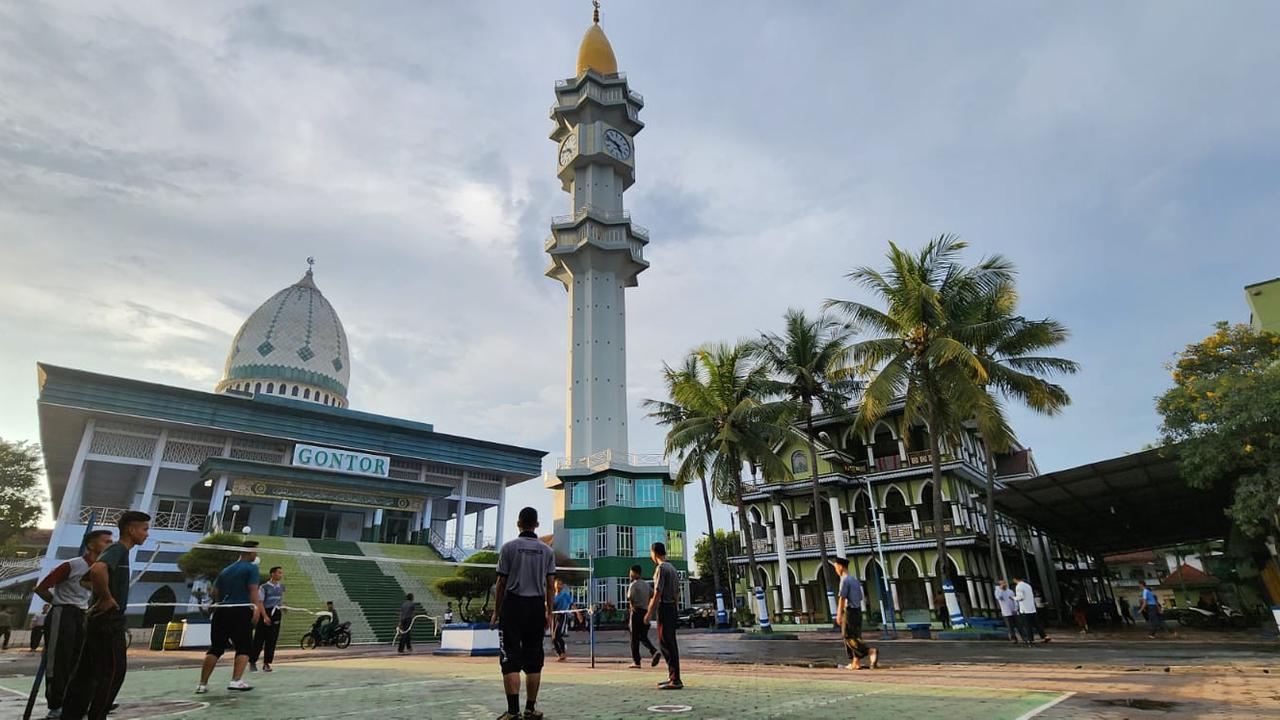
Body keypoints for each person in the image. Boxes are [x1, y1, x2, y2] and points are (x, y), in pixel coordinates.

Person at [61, 510, 151, 720]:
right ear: (131, 529)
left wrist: (101, 593)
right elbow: (96, 570)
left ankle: (71, 715)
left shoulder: (120, 553)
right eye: (145, 529)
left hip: (99, 621)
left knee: (87, 673)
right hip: (108, 621)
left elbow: (85, 579)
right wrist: (106, 598)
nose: (147, 534)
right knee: (113, 673)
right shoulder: (117, 549)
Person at [35, 529, 113, 719]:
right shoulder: (72, 565)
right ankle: (56, 705)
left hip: (83, 614)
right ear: (92, 545)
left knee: (82, 662)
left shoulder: (101, 568)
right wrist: (57, 602)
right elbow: (41, 588)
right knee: (59, 660)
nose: (110, 545)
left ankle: (79, 701)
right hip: (64, 613)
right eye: (106, 542)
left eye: (111, 542)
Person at [491, 507, 556, 720]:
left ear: (518, 523)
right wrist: (549, 612)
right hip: (536, 606)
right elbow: (550, 585)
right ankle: (530, 709)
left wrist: (496, 611)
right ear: (536, 524)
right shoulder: (547, 551)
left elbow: (501, 583)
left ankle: (513, 712)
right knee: (534, 657)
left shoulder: (509, 548)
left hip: (513, 605)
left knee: (510, 657)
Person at [196, 541, 265, 694]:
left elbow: (214, 592)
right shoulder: (251, 568)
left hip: (221, 610)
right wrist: (256, 609)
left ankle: (202, 684)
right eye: (256, 551)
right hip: (240, 610)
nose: (257, 554)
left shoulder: (226, 570)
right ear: (251, 552)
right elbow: (253, 590)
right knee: (244, 646)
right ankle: (236, 680)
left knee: (216, 648)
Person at [644, 541, 682, 690]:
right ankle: (672, 676)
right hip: (671, 606)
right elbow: (677, 592)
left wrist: (649, 612)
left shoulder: (661, 568)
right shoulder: (672, 568)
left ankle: (675, 679)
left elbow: (657, 592)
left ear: (654, 553)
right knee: (669, 642)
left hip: (665, 607)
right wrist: (676, 608)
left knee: (666, 643)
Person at [832, 557, 877, 670]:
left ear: (841, 566)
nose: (835, 570)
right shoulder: (854, 580)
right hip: (858, 611)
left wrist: (838, 614)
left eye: (836, 567)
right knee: (855, 637)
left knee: (847, 636)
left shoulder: (844, 580)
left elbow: (842, 598)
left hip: (850, 612)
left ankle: (869, 651)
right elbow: (860, 597)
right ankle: (855, 662)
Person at [250, 565, 284, 672]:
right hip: (265, 612)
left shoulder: (281, 587)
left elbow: (280, 600)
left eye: (281, 573)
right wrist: (264, 616)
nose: (280, 575)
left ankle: (267, 663)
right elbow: (260, 603)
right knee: (259, 639)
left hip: (276, 613)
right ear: (272, 574)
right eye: (278, 572)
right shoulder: (264, 587)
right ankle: (252, 661)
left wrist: (282, 608)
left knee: (272, 639)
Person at [626, 565, 659, 669]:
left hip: (636, 612)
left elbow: (630, 598)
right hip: (645, 612)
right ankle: (653, 651)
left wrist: (631, 607)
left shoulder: (633, 585)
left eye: (631, 572)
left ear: (636, 573)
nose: (630, 575)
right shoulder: (646, 585)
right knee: (642, 636)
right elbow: (653, 595)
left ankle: (636, 661)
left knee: (634, 638)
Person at [1011, 575, 1050, 645]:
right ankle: (1044, 636)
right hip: (1032, 608)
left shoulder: (1019, 586)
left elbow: (1020, 597)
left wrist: (1013, 598)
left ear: (1015, 579)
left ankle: (1030, 639)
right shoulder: (1028, 585)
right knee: (1037, 624)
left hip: (1025, 609)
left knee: (1027, 625)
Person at [551, 578, 571, 662]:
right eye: (557, 584)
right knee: (553, 638)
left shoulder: (565, 594)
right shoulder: (553, 595)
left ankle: (563, 652)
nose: (558, 586)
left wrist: (578, 614)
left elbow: (571, 603)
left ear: (562, 586)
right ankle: (560, 654)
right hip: (554, 616)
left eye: (560, 584)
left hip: (562, 615)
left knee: (557, 635)